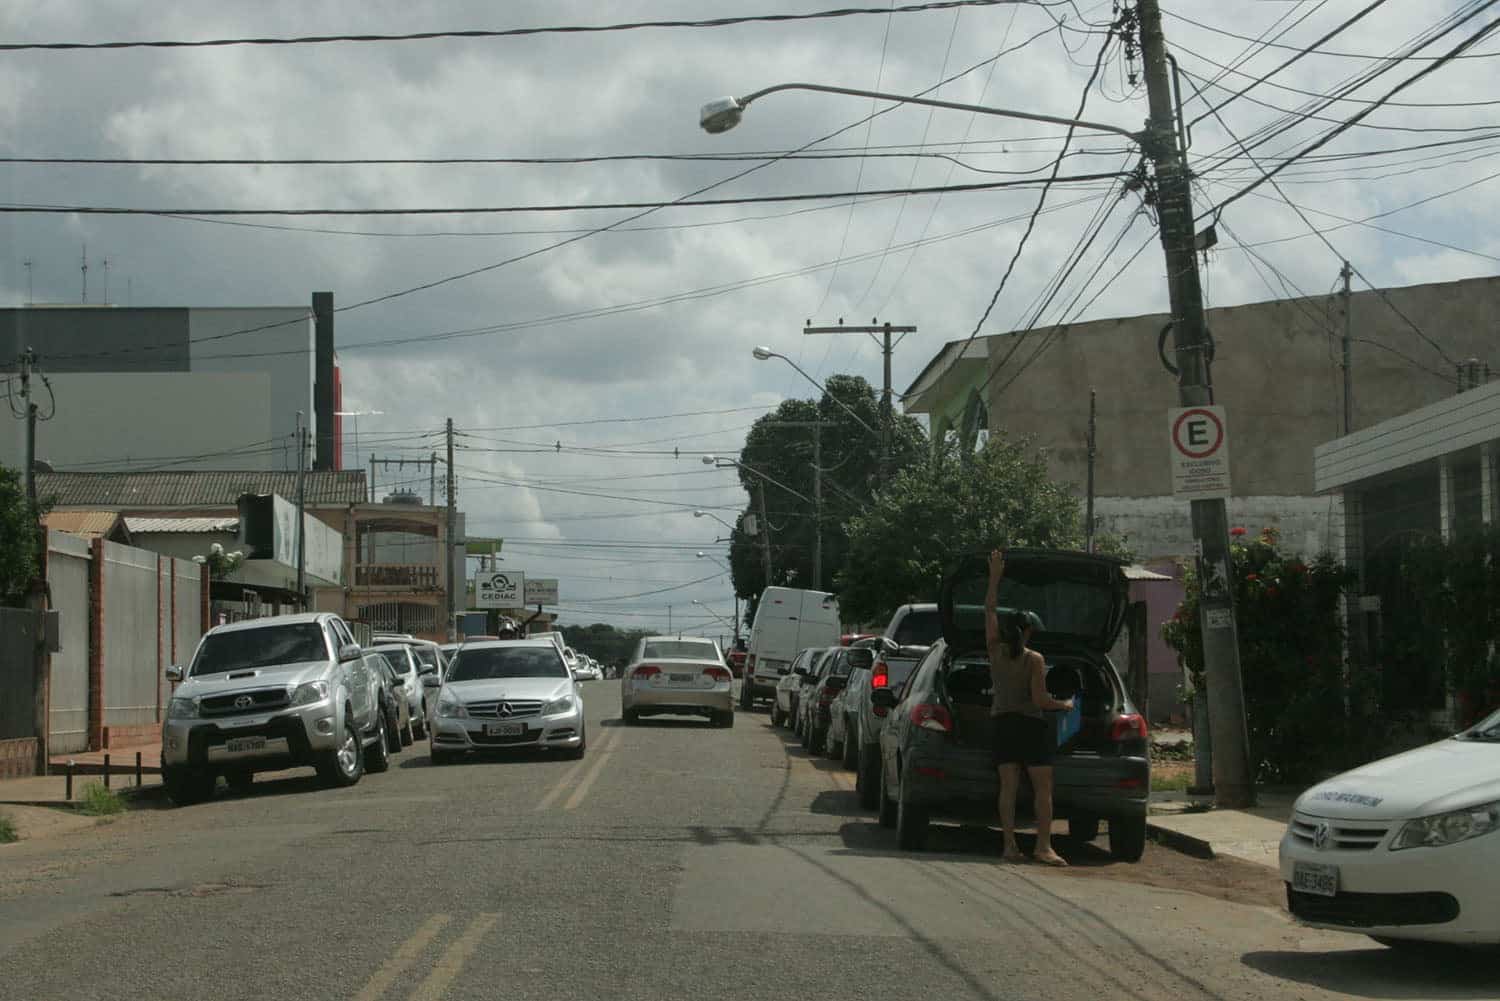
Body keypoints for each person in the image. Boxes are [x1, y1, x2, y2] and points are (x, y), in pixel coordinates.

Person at [985, 549, 1074, 866]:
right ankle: (1043, 846)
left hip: (1002, 725)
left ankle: (1009, 846)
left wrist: (995, 576)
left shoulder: (994, 651)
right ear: (1026, 632)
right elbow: (1039, 701)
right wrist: (1064, 704)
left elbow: (989, 609)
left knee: (1007, 788)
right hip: (1031, 727)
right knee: (1042, 789)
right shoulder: (1034, 659)